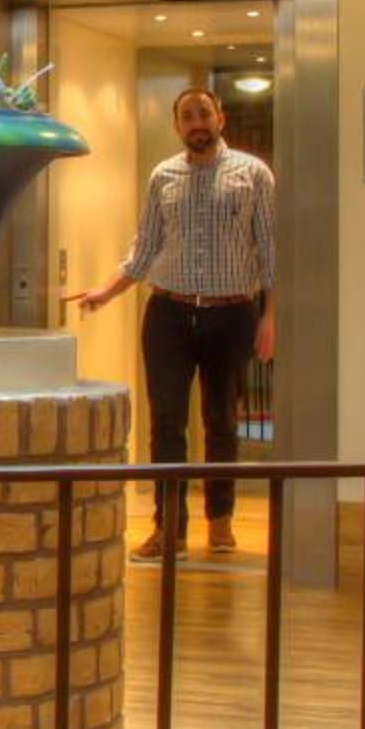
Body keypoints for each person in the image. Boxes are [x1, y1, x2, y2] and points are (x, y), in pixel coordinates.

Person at [63, 85, 276, 558]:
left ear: (220, 118)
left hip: (232, 313)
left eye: (204, 114)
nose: (197, 123)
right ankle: (169, 528)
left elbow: (270, 250)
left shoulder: (253, 173)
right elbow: (144, 248)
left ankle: (220, 519)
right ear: (177, 125)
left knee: (222, 421)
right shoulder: (163, 176)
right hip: (169, 314)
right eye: (188, 117)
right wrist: (106, 292)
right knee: (165, 422)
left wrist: (271, 317)